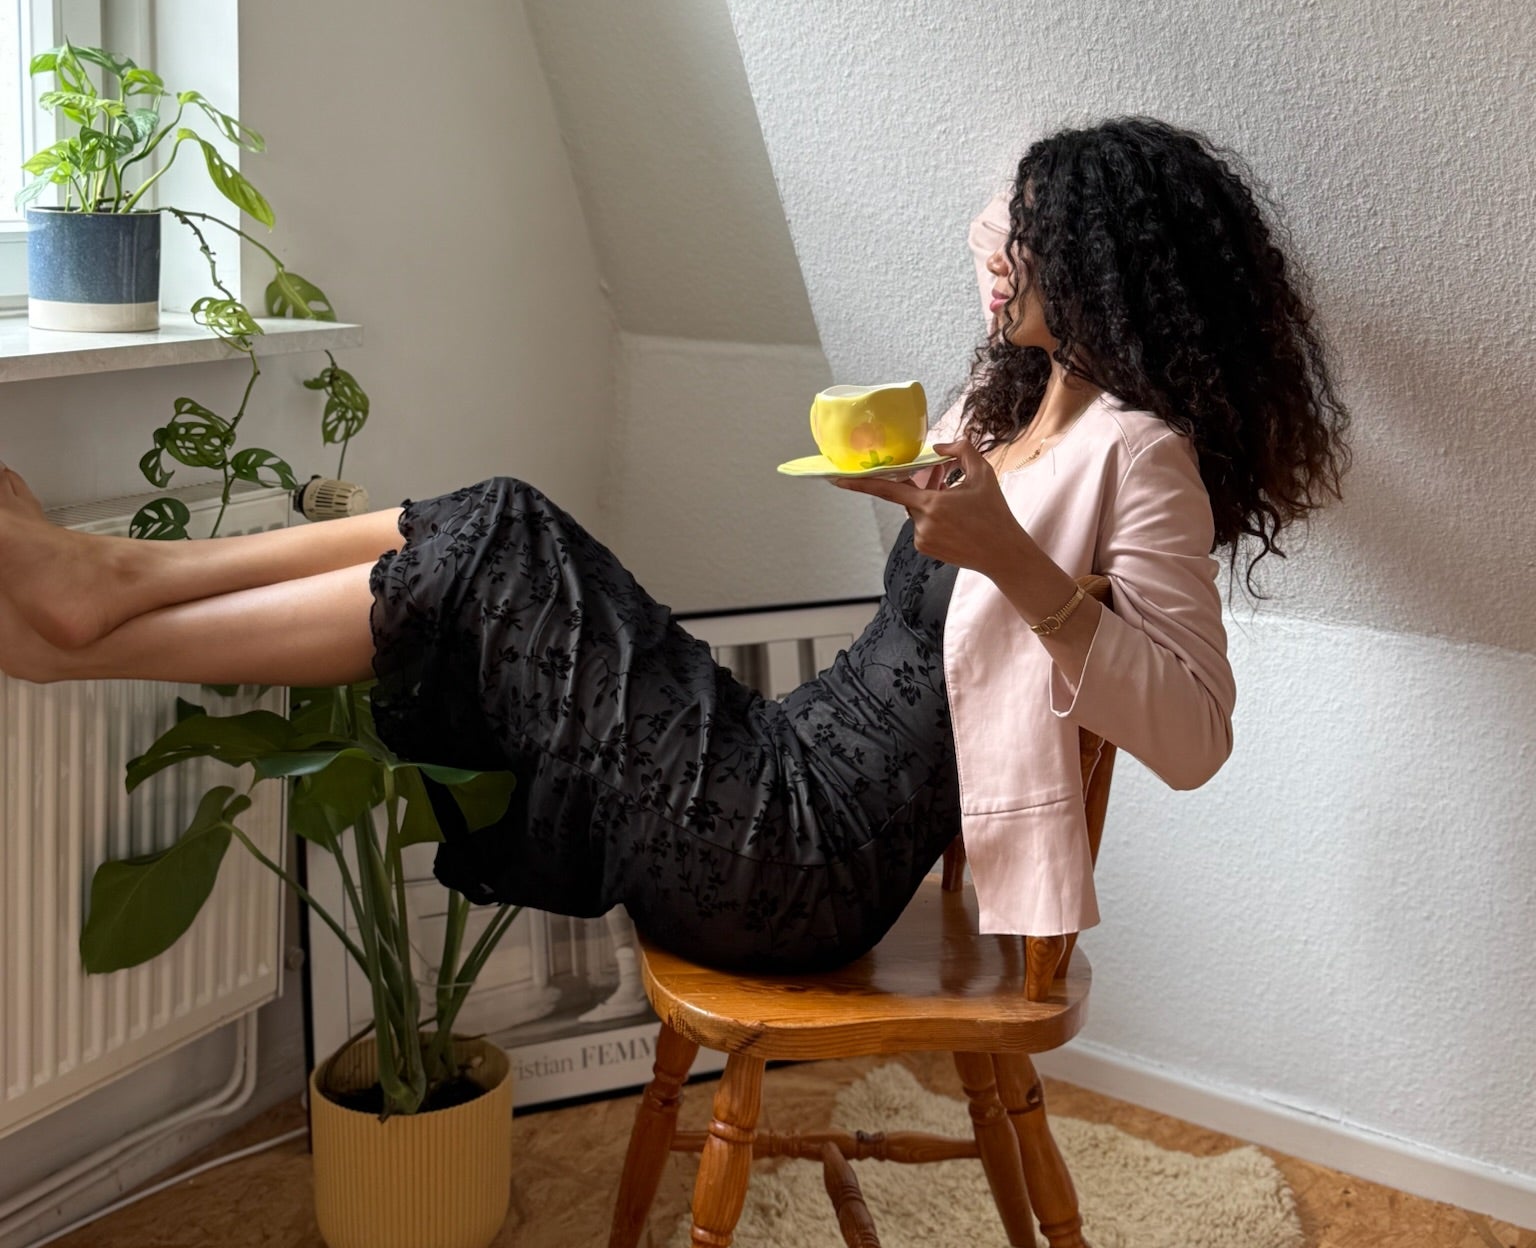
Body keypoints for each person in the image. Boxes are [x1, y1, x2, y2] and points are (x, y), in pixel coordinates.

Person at [0, 117, 1349, 973]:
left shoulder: (1141, 456)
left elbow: (1194, 736)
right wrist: (934, 505)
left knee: (510, 533)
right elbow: (950, 597)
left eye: (1032, 238)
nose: (998, 255)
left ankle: (99, 594)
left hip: (807, 862)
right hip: (783, 767)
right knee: (493, 536)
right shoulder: (992, 412)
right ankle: (90, 610)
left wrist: (1014, 563)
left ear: (1108, 267)